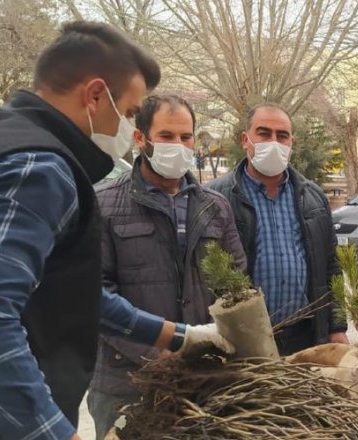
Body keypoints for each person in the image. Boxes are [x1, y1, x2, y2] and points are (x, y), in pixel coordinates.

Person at [0, 22, 230, 440]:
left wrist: (181, 336)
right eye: (128, 112)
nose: (128, 128)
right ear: (94, 95)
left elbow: (71, 294)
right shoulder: (36, 167)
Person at [88, 95, 248, 438]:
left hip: (202, 381)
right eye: (166, 136)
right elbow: (93, 295)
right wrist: (155, 352)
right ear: (140, 138)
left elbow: (236, 286)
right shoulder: (103, 205)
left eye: (185, 137)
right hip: (126, 383)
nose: (178, 145)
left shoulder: (215, 207)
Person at [208, 103, 347, 355]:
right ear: (245, 139)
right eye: (264, 133)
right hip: (244, 338)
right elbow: (205, 272)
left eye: (282, 135)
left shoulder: (312, 196)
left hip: (304, 334)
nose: (274, 141)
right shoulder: (217, 197)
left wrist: (337, 326)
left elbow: (330, 266)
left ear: (291, 142)